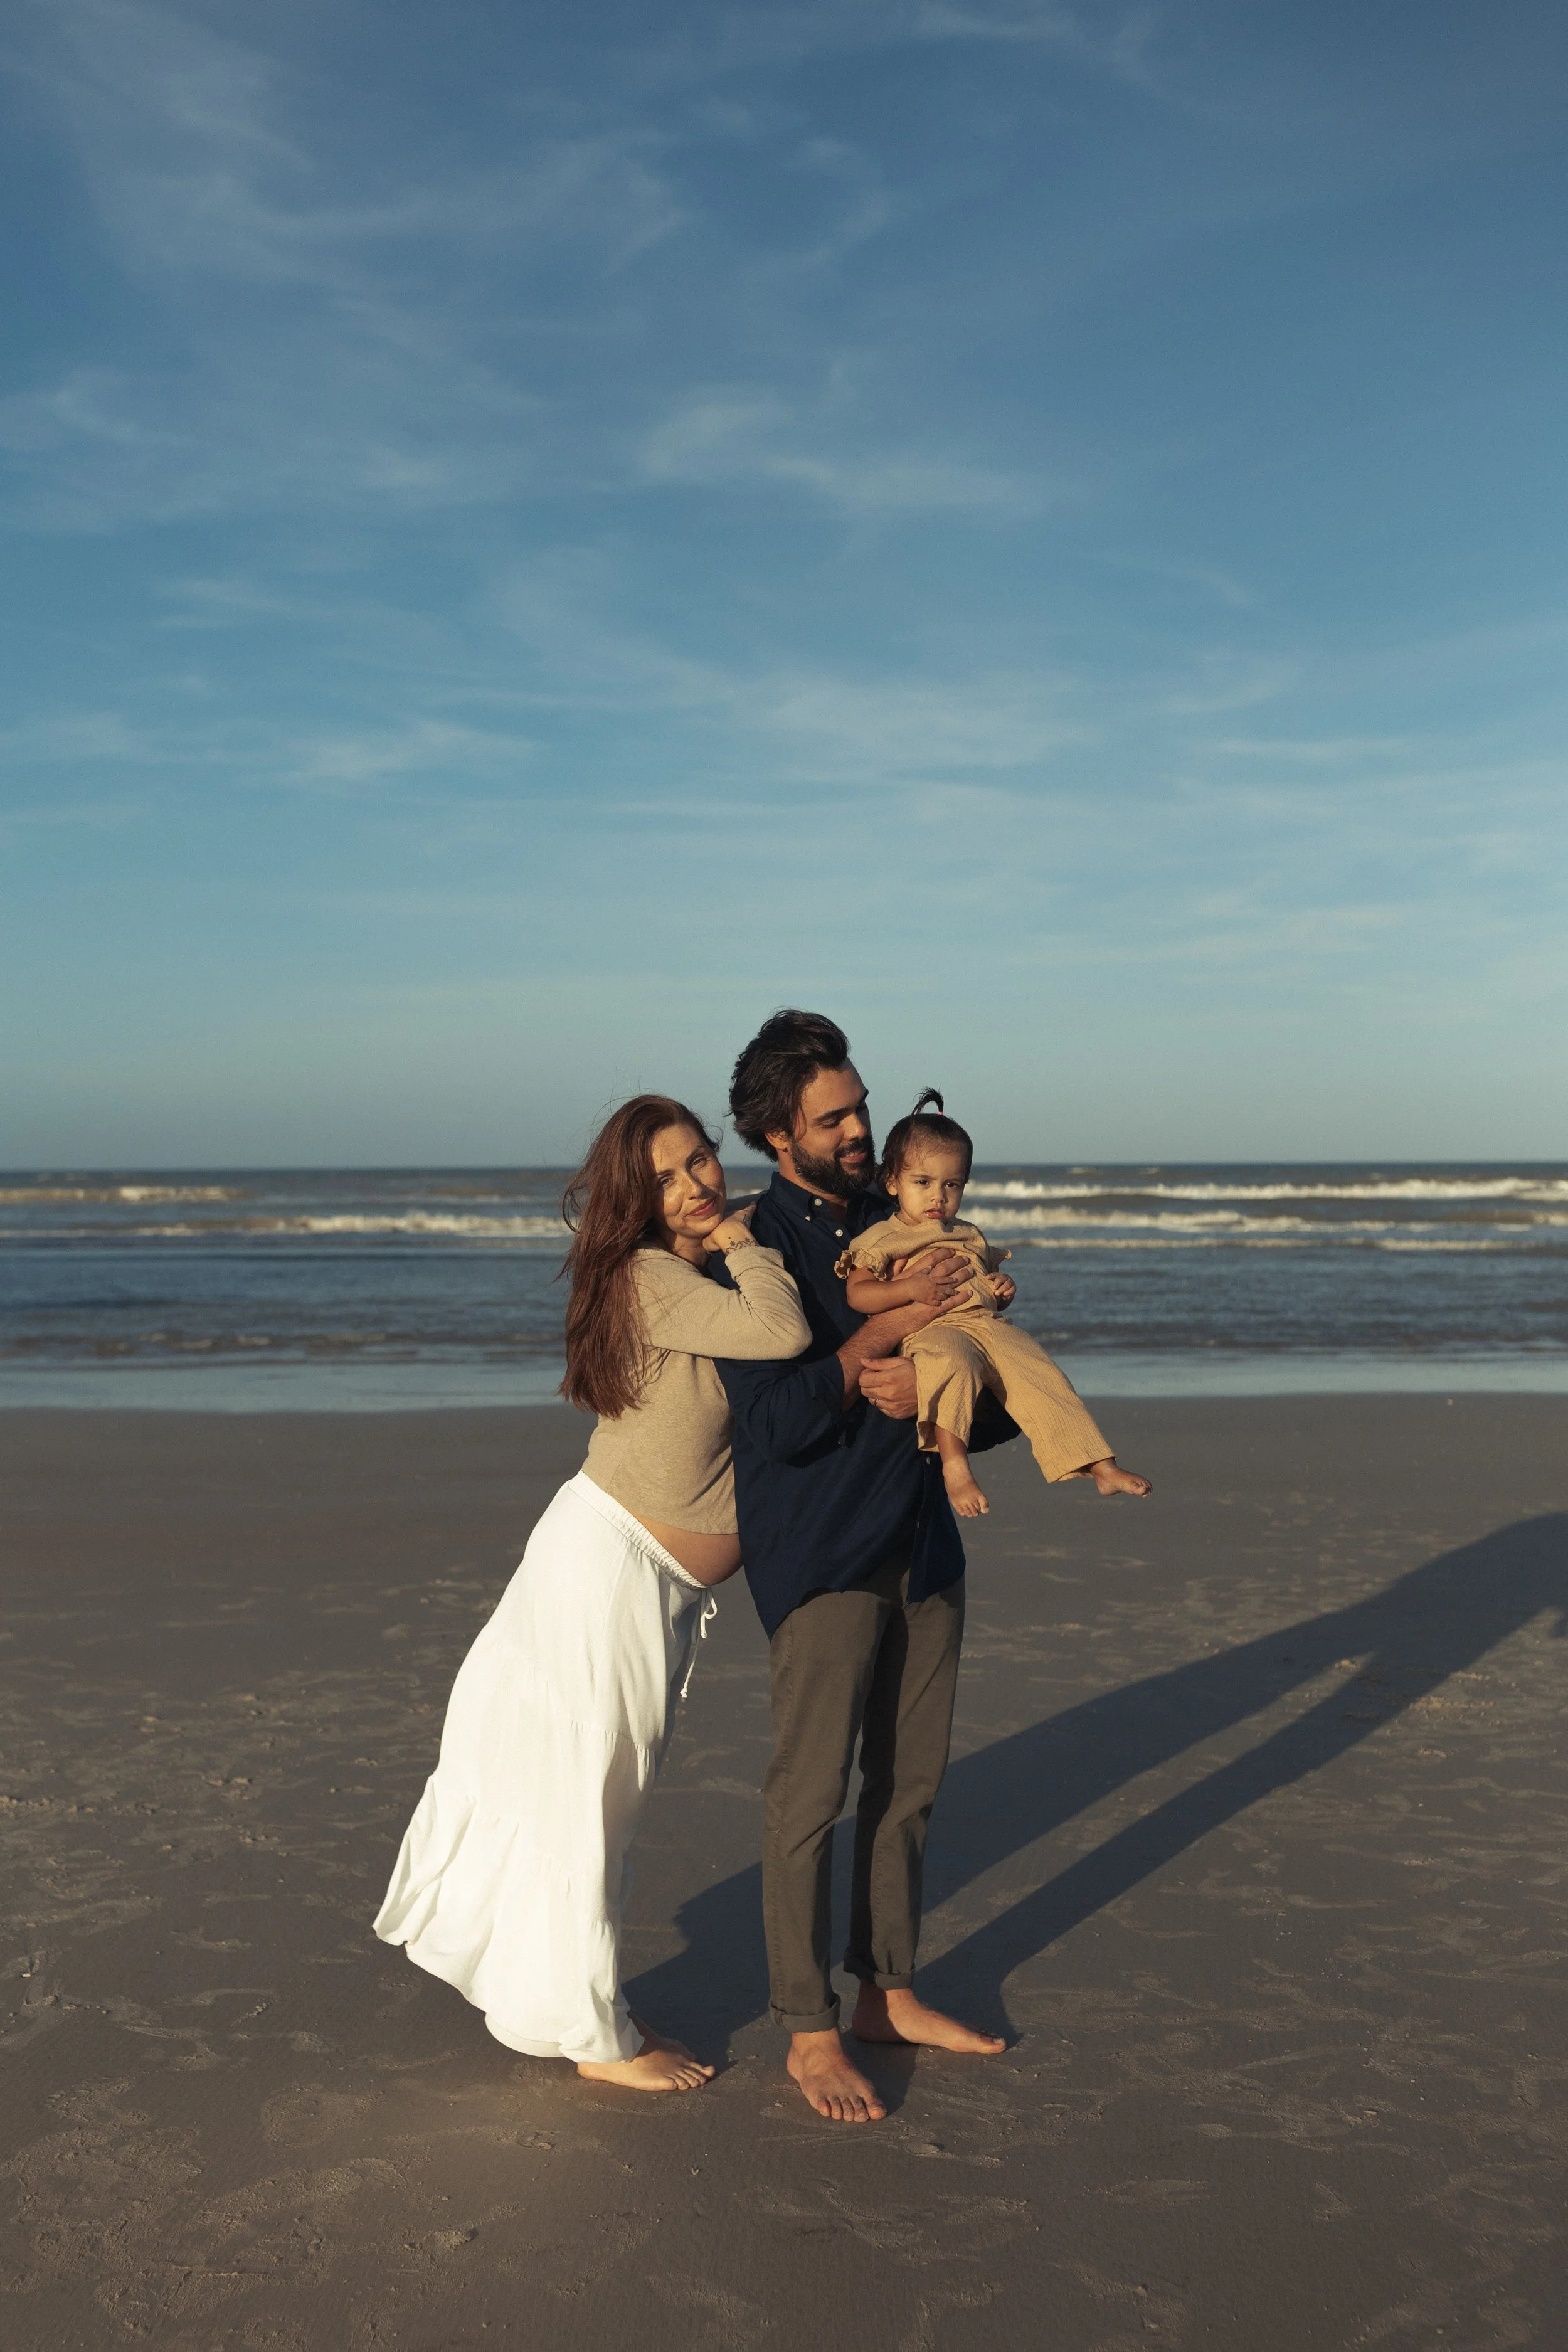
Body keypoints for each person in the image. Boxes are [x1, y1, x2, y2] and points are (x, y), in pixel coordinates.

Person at [374, 1096, 810, 2092]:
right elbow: (781, 1331)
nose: (699, 1183)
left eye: (702, 1159)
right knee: (587, 1798)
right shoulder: (658, 1275)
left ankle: (572, 2000)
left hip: (624, 1570)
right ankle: (593, 2037)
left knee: (577, 1790)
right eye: (669, 1175)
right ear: (635, 1197)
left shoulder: (674, 1273)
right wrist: (747, 1239)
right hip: (609, 1569)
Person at [713, 1013, 1027, 2126]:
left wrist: (954, 1388)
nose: (858, 1129)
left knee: (912, 1785)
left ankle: (886, 1993)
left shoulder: (914, 1231)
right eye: (832, 1117)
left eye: (859, 1109)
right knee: (810, 1797)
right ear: (774, 1134)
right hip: (825, 1555)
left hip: (924, 1545)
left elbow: (986, 1409)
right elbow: (774, 1420)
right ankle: (808, 2029)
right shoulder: (753, 1248)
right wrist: (861, 1369)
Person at [839, 1089, 1152, 1520]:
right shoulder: (882, 1238)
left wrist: (1001, 1287)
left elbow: (982, 1280)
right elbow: (859, 1292)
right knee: (952, 1365)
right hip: (933, 1332)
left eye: (952, 1185)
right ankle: (955, 1465)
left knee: (1036, 1368)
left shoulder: (968, 1233)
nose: (938, 1198)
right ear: (892, 1183)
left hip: (986, 1326)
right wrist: (908, 1289)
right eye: (923, 1183)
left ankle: (1098, 1464)